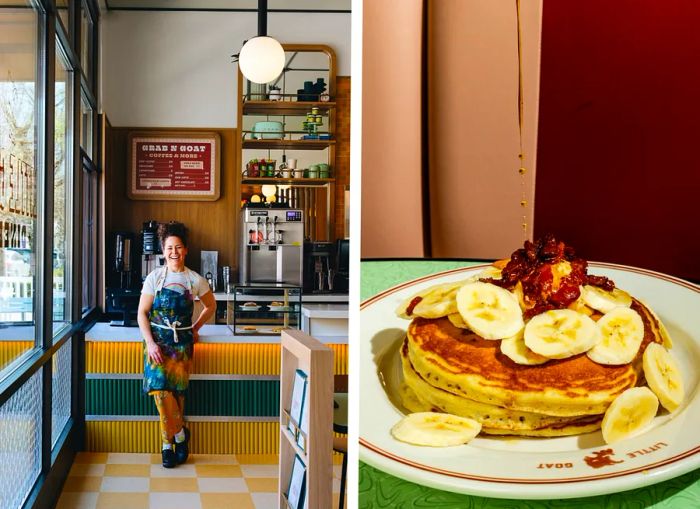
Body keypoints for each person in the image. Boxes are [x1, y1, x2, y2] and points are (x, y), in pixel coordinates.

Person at [137, 222, 216, 468]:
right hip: (157, 344)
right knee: (161, 392)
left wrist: (195, 329)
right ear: (163, 250)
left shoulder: (194, 279)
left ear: (186, 250)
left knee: (177, 395)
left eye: (178, 247)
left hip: (181, 343)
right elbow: (142, 312)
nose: (174, 252)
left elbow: (211, 306)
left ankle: (169, 445)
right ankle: (177, 436)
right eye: (169, 247)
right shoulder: (154, 278)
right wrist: (150, 343)